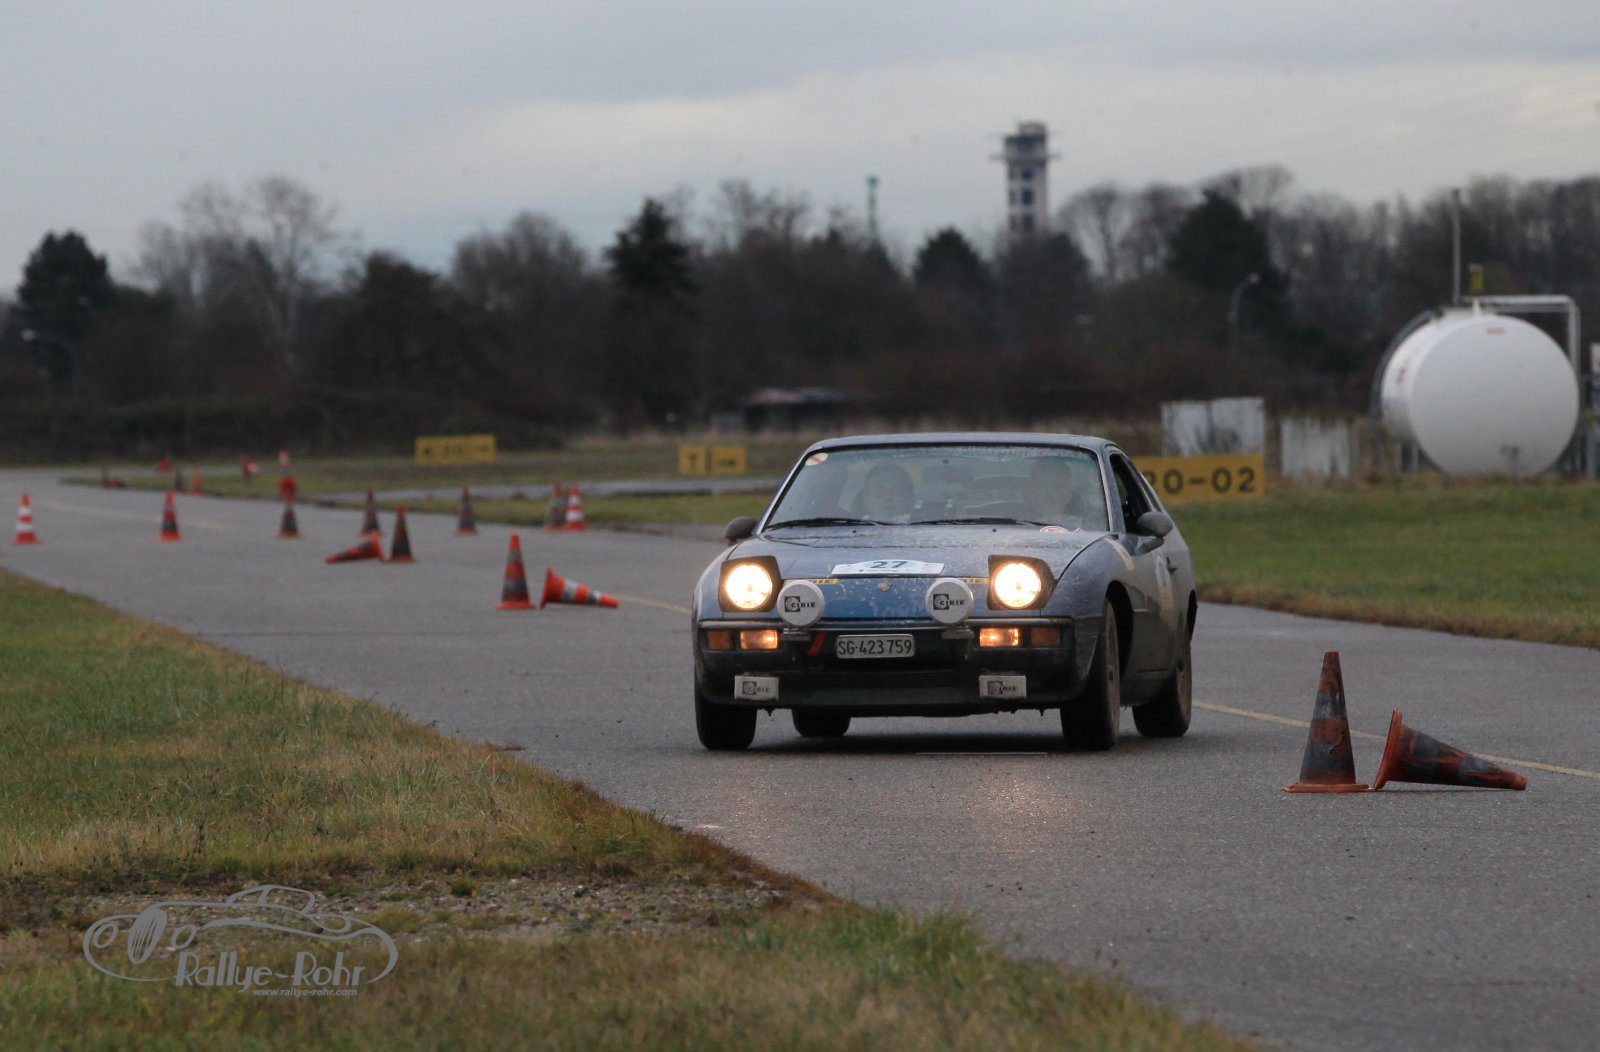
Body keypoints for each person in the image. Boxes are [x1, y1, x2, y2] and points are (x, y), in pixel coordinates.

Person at [1028, 456, 1107, 528]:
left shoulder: (1089, 528)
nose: (1050, 493)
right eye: (1043, 486)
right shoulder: (1020, 526)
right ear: (1032, 493)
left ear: (1068, 495)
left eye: (1057, 487)